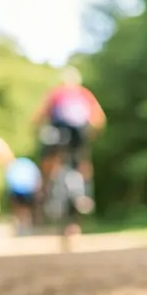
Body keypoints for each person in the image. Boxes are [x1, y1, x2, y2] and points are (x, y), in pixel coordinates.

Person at [31, 66, 106, 217]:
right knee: (81, 159)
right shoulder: (84, 94)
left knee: (51, 158)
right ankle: (84, 195)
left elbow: (39, 116)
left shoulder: (56, 93)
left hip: (58, 133)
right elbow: (100, 118)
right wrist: (92, 135)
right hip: (79, 134)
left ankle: (47, 190)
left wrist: (36, 130)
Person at [3, 156, 42, 236]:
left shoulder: (15, 166)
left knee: (20, 211)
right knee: (25, 211)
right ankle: (25, 227)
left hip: (19, 191)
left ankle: (23, 227)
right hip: (25, 191)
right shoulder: (29, 166)